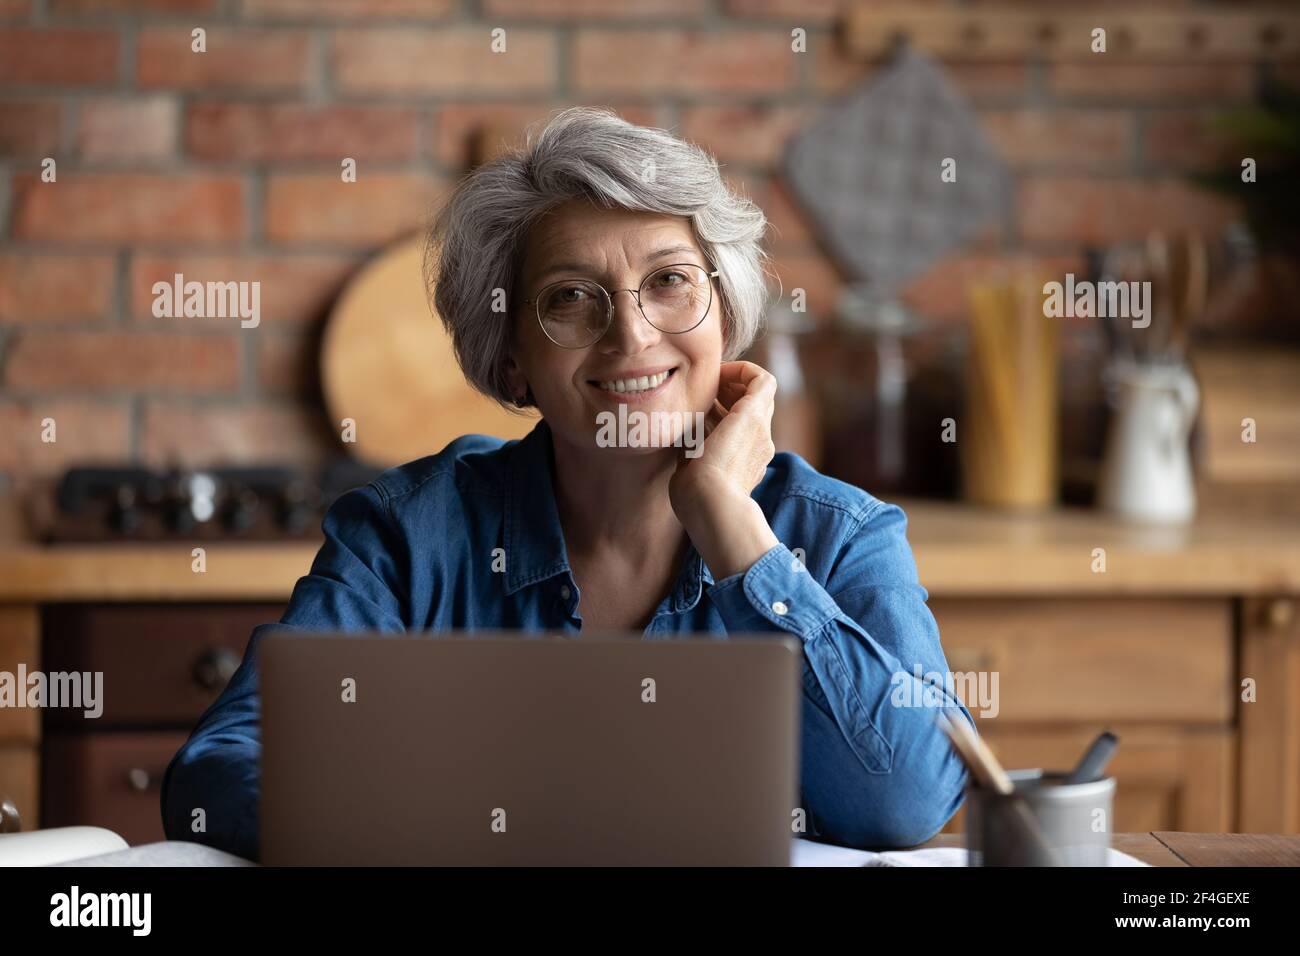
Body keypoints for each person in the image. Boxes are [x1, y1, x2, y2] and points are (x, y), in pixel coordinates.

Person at [161, 107, 972, 862]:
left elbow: (906, 802)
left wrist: (730, 525)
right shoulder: (409, 535)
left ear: (725, 314)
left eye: (669, 281)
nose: (631, 334)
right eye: (571, 298)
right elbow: (219, 772)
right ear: (511, 356)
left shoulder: (840, 535)